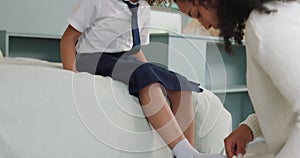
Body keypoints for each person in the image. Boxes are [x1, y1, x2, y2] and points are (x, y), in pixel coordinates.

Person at [60, 0, 226, 158]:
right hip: (92, 59)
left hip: (123, 58)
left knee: (181, 85)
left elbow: (134, 50)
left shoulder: (143, 8)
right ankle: (187, 153)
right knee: (147, 78)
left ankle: (189, 153)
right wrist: (72, 76)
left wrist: (152, 73)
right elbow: (68, 38)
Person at [175, 0, 300, 157]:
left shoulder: (265, 27)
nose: (205, 25)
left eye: (198, 14)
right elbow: (286, 103)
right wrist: (250, 128)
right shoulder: (274, 16)